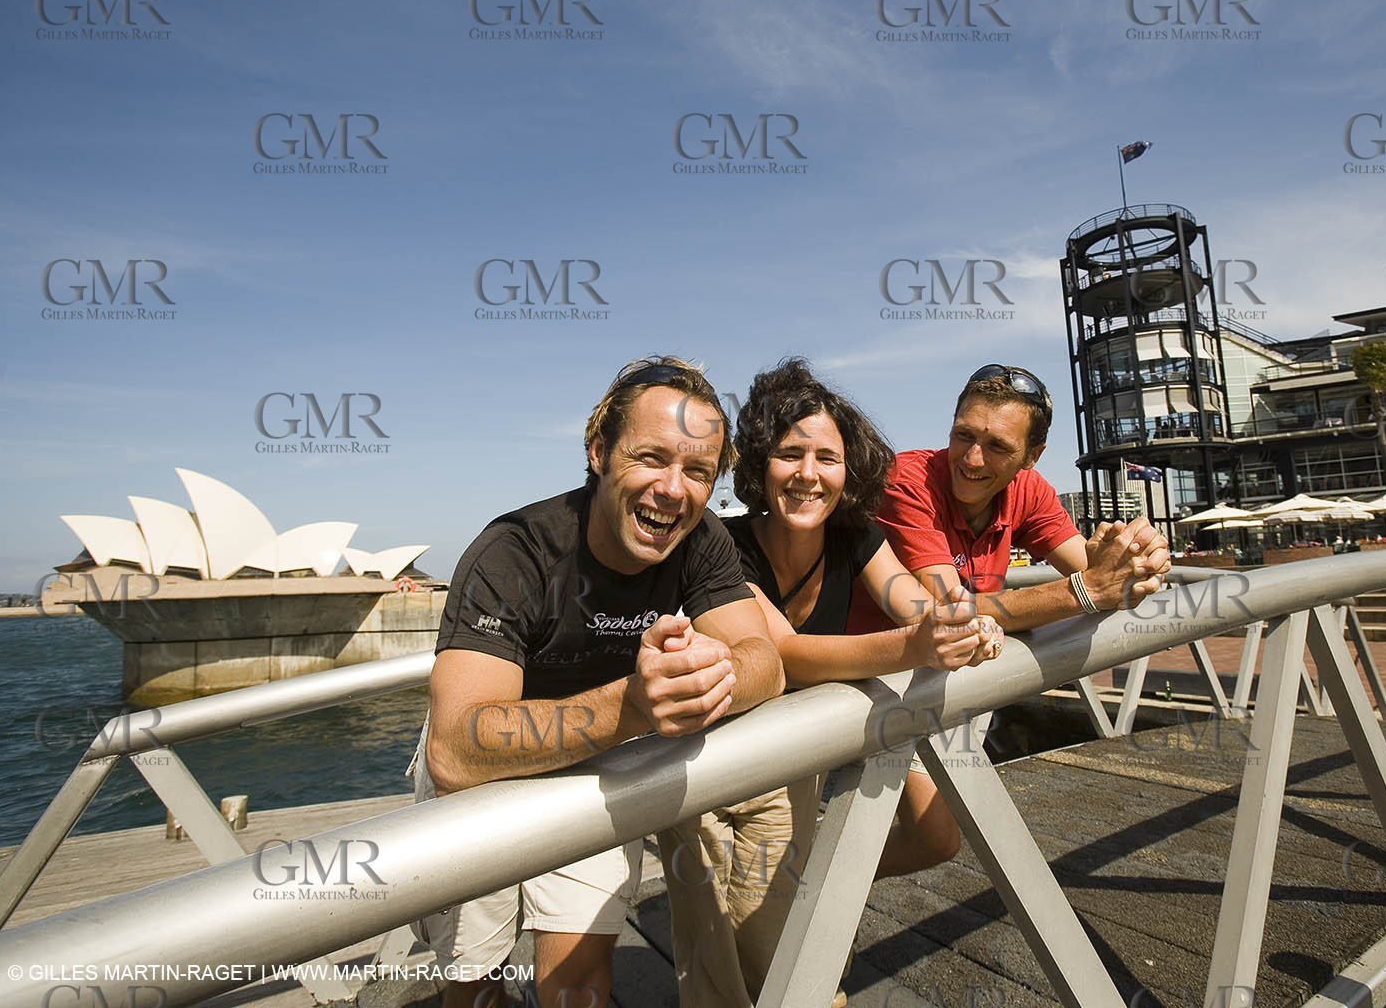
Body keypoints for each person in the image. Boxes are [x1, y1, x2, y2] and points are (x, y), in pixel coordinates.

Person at [410, 356, 786, 1008]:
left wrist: (709, 670)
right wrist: (635, 703)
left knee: (580, 988)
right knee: (475, 985)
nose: (674, 488)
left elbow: (766, 660)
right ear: (598, 452)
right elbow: (452, 747)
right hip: (485, 779)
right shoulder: (515, 550)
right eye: (652, 458)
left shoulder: (701, 541)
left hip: (594, 769)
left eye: (698, 470)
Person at [659, 359, 1002, 1007]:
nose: (809, 473)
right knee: (708, 954)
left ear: (850, 469)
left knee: (781, 945)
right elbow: (784, 654)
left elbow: (909, 598)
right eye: (791, 453)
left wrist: (963, 622)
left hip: (789, 763)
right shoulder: (722, 546)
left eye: (827, 456)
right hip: (699, 762)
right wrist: (913, 643)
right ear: (761, 462)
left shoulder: (856, 535)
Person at [848, 362, 1172, 872]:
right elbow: (949, 611)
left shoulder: (1031, 489)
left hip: (946, 682)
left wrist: (1134, 557)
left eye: (998, 446)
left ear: (1032, 456)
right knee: (936, 838)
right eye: (964, 436)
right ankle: (799, 890)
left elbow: (1092, 568)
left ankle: (799, 887)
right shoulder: (907, 478)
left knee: (934, 841)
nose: (973, 459)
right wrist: (1086, 591)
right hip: (873, 684)